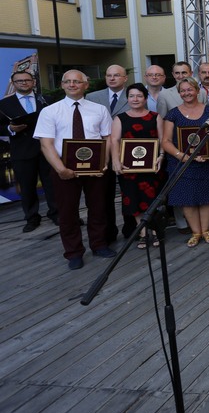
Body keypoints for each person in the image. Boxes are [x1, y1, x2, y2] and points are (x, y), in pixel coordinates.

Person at [35, 70, 114, 270]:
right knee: (68, 212)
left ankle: (99, 244)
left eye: (77, 82)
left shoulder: (99, 110)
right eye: (68, 82)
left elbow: (107, 138)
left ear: (86, 85)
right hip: (63, 166)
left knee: (98, 208)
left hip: (95, 167)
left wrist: (104, 164)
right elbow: (46, 144)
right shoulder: (50, 111)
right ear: (62, 85)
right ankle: (74, 253)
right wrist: (61, 169)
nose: (72, 85)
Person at [161, 77, 209, 247]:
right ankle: (195, 232)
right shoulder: (173, 114)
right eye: (183, 90)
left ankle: (206, 230)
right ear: (179, 93)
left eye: (190, 89)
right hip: (181, 163)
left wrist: (207, 151)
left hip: (206, 161)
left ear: (197, 91)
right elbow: (166, 141)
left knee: (205, 197)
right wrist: (182, 156)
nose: (186, 93)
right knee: (187, 199)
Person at [0, 70, 57, 232]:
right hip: (22, 151)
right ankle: (32, 218)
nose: (24, 83)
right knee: (27, 187)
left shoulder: (47, 100)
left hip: (48, 149)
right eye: (19, 81)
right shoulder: (4, 104)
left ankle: (56, 213)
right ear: (13, 84)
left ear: (33, 82)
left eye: (27, 80)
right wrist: (10, 128)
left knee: (52, 184)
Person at [109, 83, 164, 248]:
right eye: (132, 96)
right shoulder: (120, 118)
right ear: (127, 98)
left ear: (145, 98)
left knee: (152, 199)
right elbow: (114, 141)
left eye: (139, 96)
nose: (135, 99)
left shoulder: (156, 116)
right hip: (129, 169)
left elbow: (162, 140)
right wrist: (116, 161)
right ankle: (142, 232)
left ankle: (154, 232)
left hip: (151, 167)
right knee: (134, 200)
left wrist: (161, 156)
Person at [87, 63, 130, 241]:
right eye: (109, 75)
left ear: (125, 78)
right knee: (103, 196)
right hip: (101, 153)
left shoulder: (134, 95)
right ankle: (108, 232)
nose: (112, 78)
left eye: (116, 75)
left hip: (126, 151)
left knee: (128, 193)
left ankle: (131, 229)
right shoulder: (91, 97)